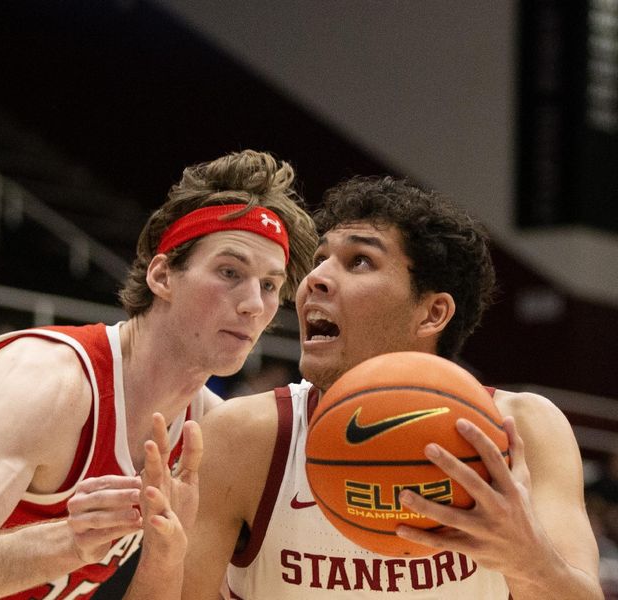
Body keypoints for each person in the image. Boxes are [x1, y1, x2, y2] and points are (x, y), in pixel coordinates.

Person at [0, 149, 318, 599]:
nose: (255, 304)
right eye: (230, 272)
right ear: (163, 275)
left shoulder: (206, 431)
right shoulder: (51, 380)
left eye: (271, 286)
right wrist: (71, 541)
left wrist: (166, 556)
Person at [180, 176, 603, 599]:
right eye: (320, 259)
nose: (315, 280)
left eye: (359, 261)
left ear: (433, 313)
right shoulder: (246, 437)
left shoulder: (521, 429)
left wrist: (529, 561)